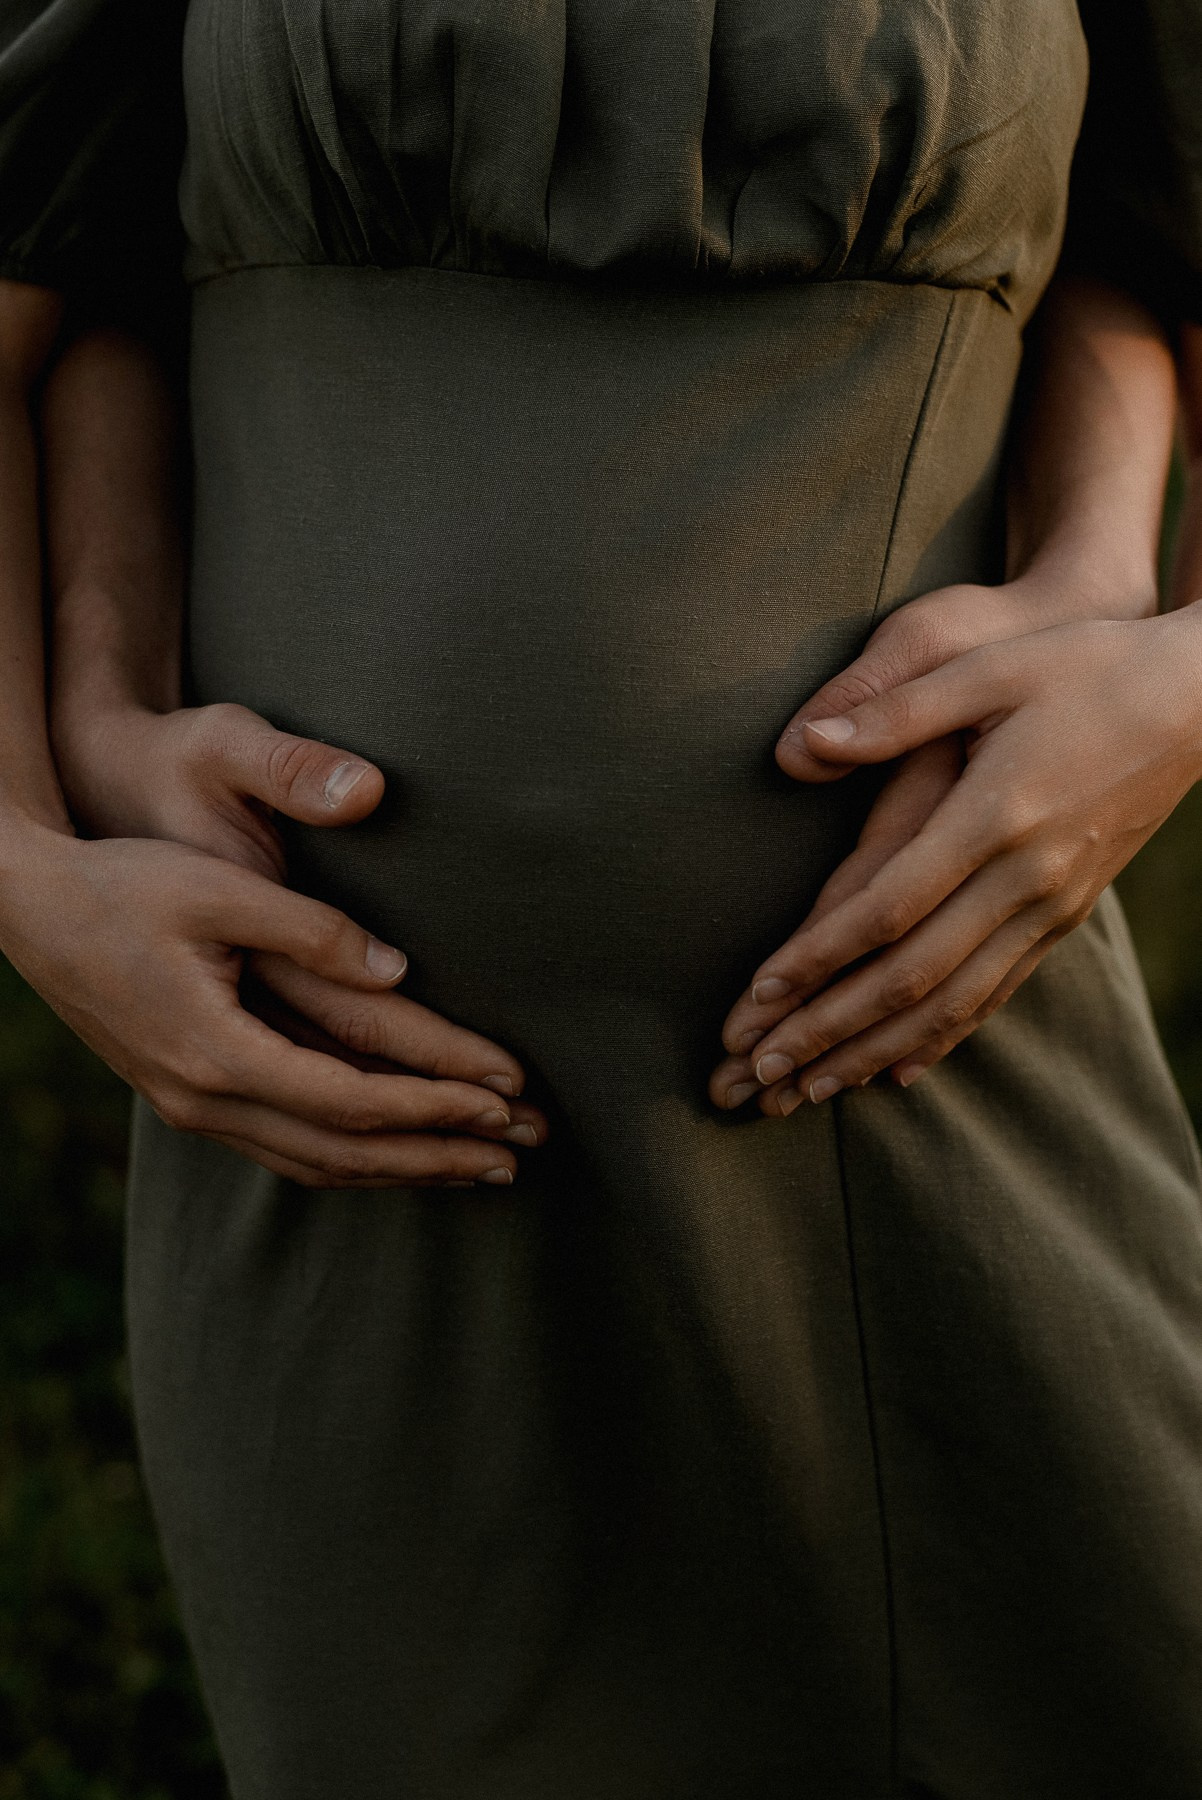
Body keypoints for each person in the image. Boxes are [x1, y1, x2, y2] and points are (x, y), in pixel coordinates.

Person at [1, 0, 1201, 1794]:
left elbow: (1148, 245)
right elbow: (54, 280)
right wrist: (26, 860)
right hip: (353, 1158)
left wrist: (1168, 677)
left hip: (923, 1076)